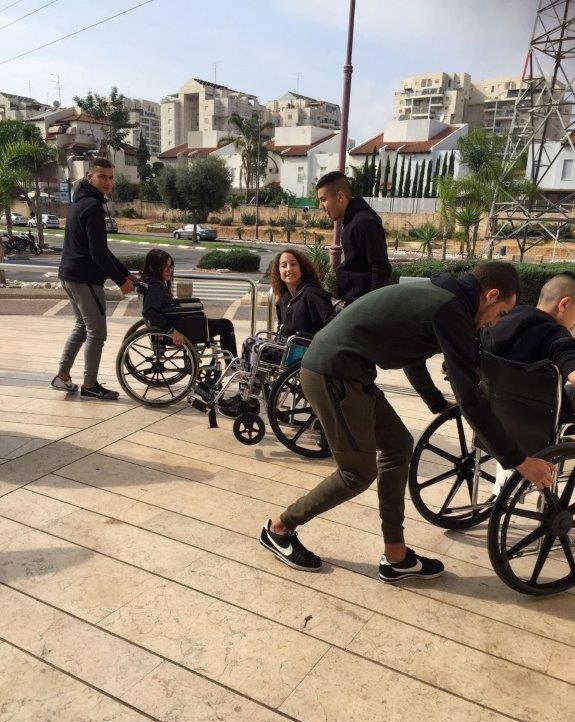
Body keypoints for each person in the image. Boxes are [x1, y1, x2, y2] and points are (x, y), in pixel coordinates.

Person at [259, 262, 555, 580]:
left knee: (399, 445)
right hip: (331, 372)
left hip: (348, 372)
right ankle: (279, 528)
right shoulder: (452, 309)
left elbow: (413, 357)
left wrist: (436, 402)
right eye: (500, 312)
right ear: (491, 295)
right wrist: (519, 461)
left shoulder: (445, 296)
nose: (494, 322)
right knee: (356, 473)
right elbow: (471, 399)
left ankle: (396, 557)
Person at [481, 271, 575, 493]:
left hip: (495, 412)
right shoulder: (556, 335)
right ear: (565, 304)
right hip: (541, 420)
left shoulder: (502, 318)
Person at [51, 157, 136, 400]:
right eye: (102, 176)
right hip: (84, 278)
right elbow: (97, 253)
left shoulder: (80, 202)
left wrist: (124, 273)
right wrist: (121, 282)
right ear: (91, 177)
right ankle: (90, 386)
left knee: (82, 327)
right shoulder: (92, 207)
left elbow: (102, 249)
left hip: (70, 275)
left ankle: (63, 377)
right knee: (96, 333)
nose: (108, 182)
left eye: (110, 177)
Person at [219, 248, 335, 417]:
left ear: (302, 267)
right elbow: (282, 328)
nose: (289, 269)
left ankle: (248, 401)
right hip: (288, 348)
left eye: (293, 264)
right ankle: (247, 396)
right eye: (283, 265)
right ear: (278, 271)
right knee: (250, 343)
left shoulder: (312, 293)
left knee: (257, 348)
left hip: (303, 351)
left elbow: (331, 321)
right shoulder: (284, 298)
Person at [139, 248, 238, 356]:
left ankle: (231, 365)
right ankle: (232, 367)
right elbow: (149, 311)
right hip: (177, 328)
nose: (169, 270)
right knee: (226, 325)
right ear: (152, 268)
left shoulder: (151, 282)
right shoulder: (155, 286)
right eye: (164, 267)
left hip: (178, 323)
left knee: (206, 317)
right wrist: (172, 332)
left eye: (171, 266)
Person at [316, 170, 390, 305]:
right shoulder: (352, 221)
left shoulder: (363, 222)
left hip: (363, 309)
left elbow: (380, 267)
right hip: (355, 305)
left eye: (323, 200)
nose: (320, 207)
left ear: (340, 197)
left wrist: (371, 308)